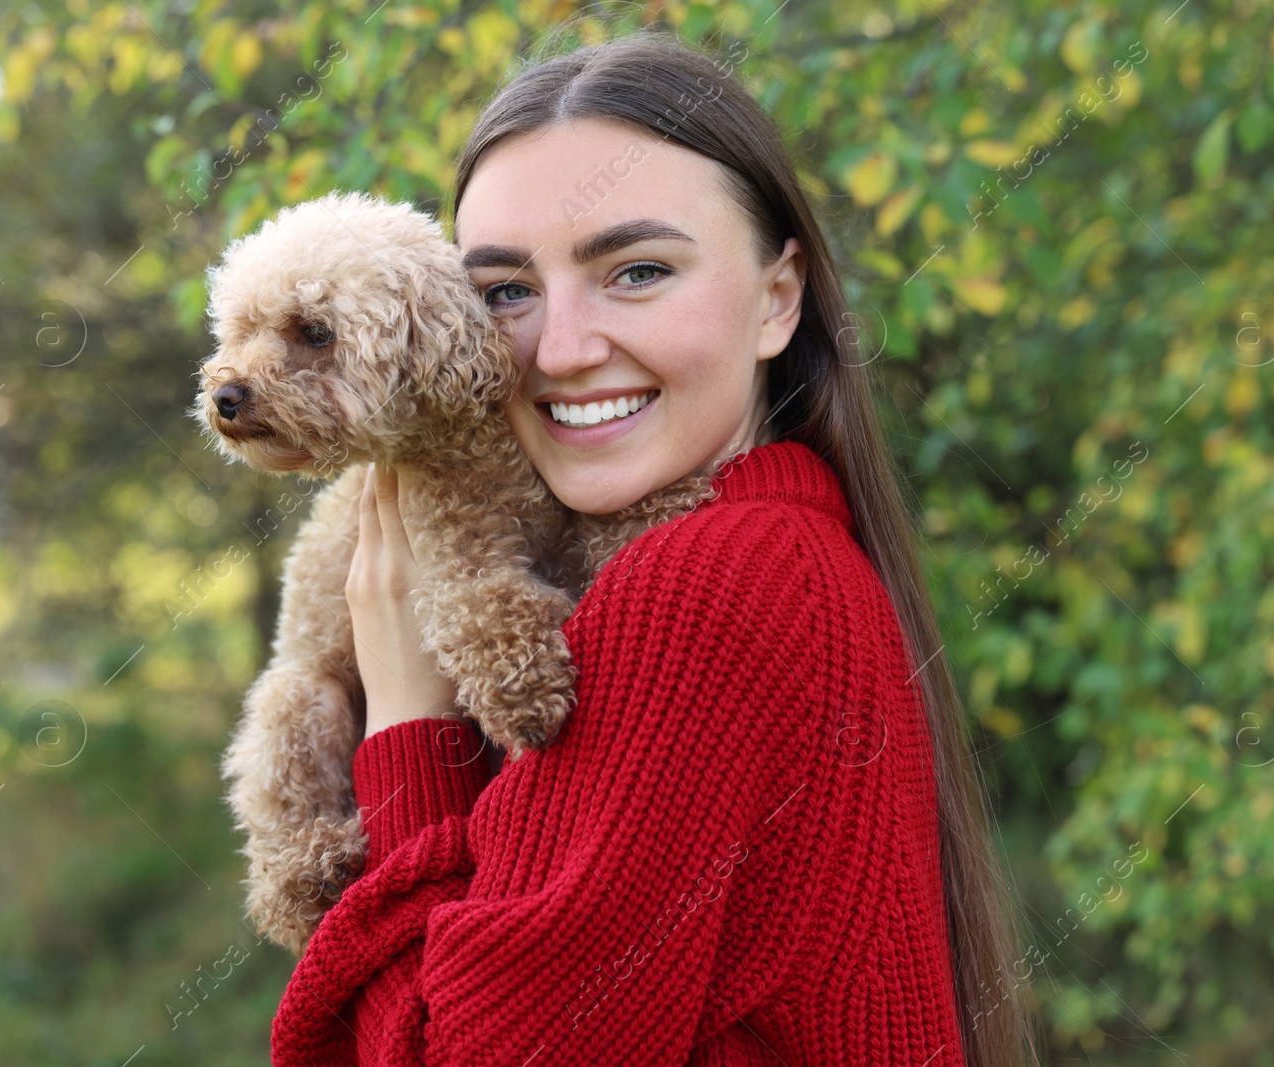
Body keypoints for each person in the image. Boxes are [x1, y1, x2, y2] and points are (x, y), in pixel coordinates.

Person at [269, 28, 1037, 1067]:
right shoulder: (798, 554)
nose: (564, 347)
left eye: (635, 270)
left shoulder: (703, 588)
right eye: (504, 291)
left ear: (778, 297)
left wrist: (407, 726)